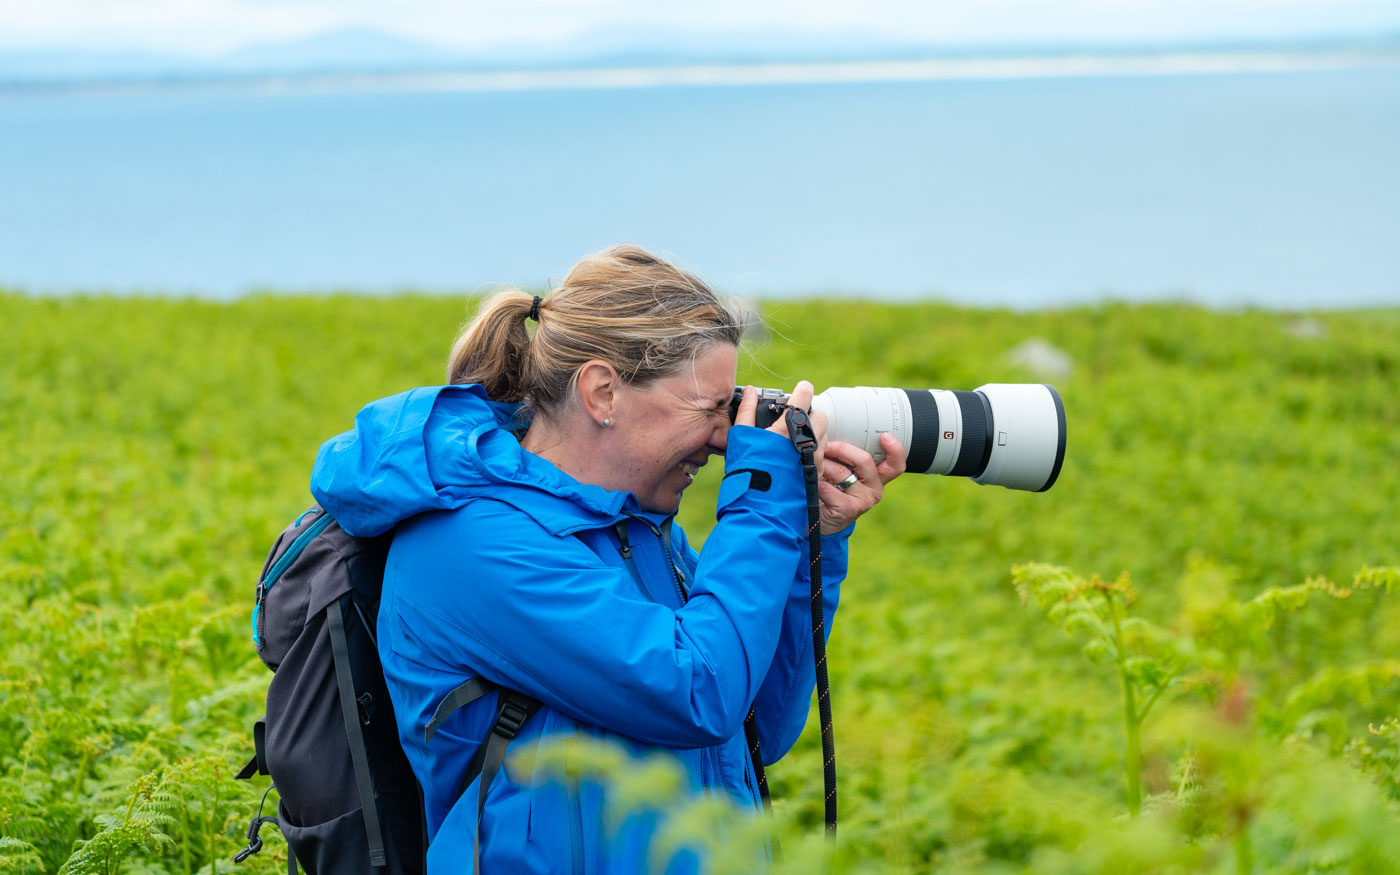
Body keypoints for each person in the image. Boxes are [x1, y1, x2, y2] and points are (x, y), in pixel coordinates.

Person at [310, 244, 906, 873]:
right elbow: (699, 690)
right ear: (602, 393)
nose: (726, 437)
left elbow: (755, 723)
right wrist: (762, 498)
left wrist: (809, 537)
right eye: (709, 408)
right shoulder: (473, 545)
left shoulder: (637, 531)